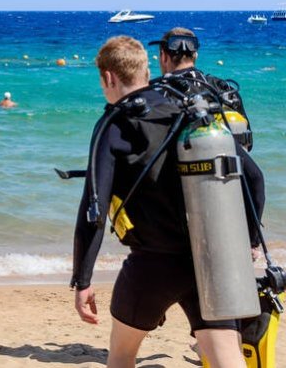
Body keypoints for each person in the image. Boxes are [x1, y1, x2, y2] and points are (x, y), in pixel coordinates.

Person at [71, 36, 264, 368]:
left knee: (120, 357)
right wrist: (250, 239)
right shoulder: (188, 112)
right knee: (228, 361)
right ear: (148, 68)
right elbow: (254, 178)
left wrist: (82, 279)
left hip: (152, 265)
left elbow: (94, 210)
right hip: (211, 261)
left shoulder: (114, 123)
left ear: (108, 78)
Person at [148, 27, 252, 149]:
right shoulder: (224, 89)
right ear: (195, 55)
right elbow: (248, 145)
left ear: (163, 56)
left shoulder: (156, 95)